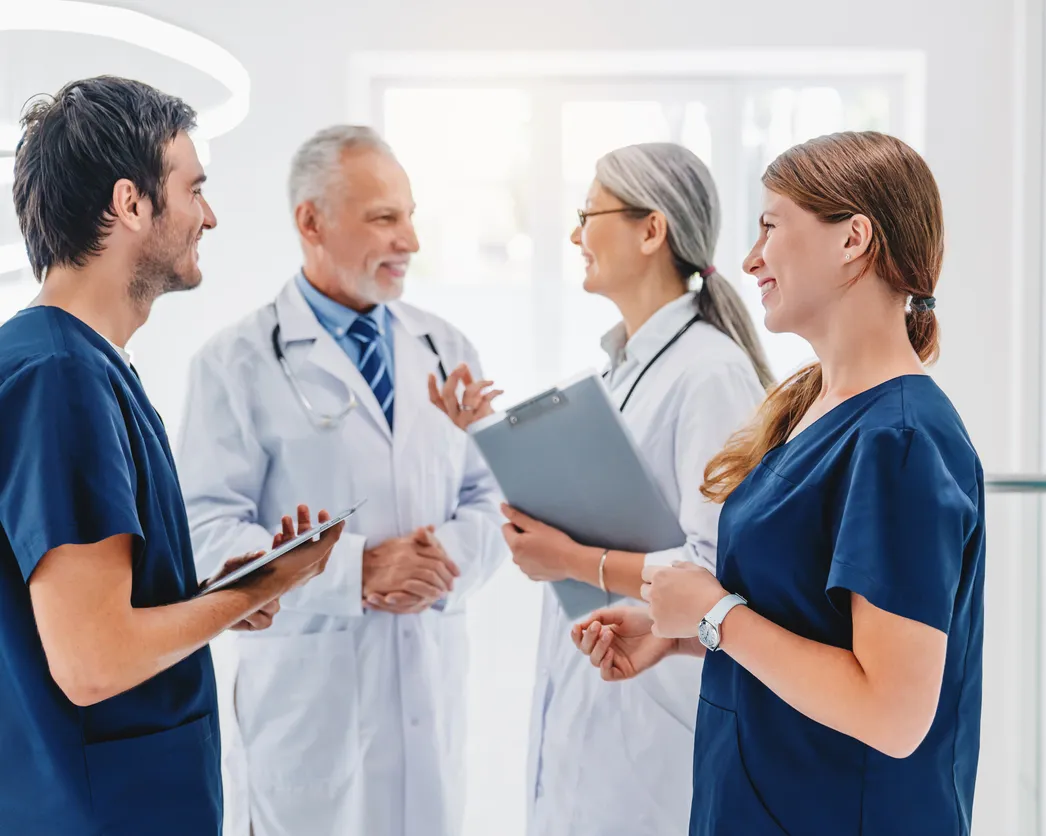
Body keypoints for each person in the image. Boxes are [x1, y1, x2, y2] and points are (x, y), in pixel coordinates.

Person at [571, 131, 986, 835]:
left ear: (853, 239)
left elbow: (891, 712)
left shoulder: (902, 440)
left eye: (770, 226)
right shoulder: (808, 405)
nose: (749, 257)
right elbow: (801, 616)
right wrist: (678, 633)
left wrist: (714, 616)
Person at [0, 76, 343, 836]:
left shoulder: (71, 365)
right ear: (130, 204)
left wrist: (203, 596)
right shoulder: (60, 378)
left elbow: (76, 614)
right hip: (101, 813)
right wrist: (260, 589)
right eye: (194, 189)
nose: (209, 216)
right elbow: (93, 661)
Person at [177, 124, 507, 836]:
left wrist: (437, 564)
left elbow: (488, 498)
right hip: (309, 708)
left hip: (425, 686)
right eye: (385, 218)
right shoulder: (234, 363)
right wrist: (355, 572)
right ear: (310, 221)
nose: (410, 241)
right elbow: (206, 533)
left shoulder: (445, 347)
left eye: (410, 215)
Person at [435, 143, 771, 836]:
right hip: (603, 702)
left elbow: (715, 574)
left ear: (651, 231)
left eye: (588, 213)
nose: (573, 234)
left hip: (655, 718)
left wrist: (566, 561)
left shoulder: (710, 373)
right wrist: (495, 440)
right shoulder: (627, 368)